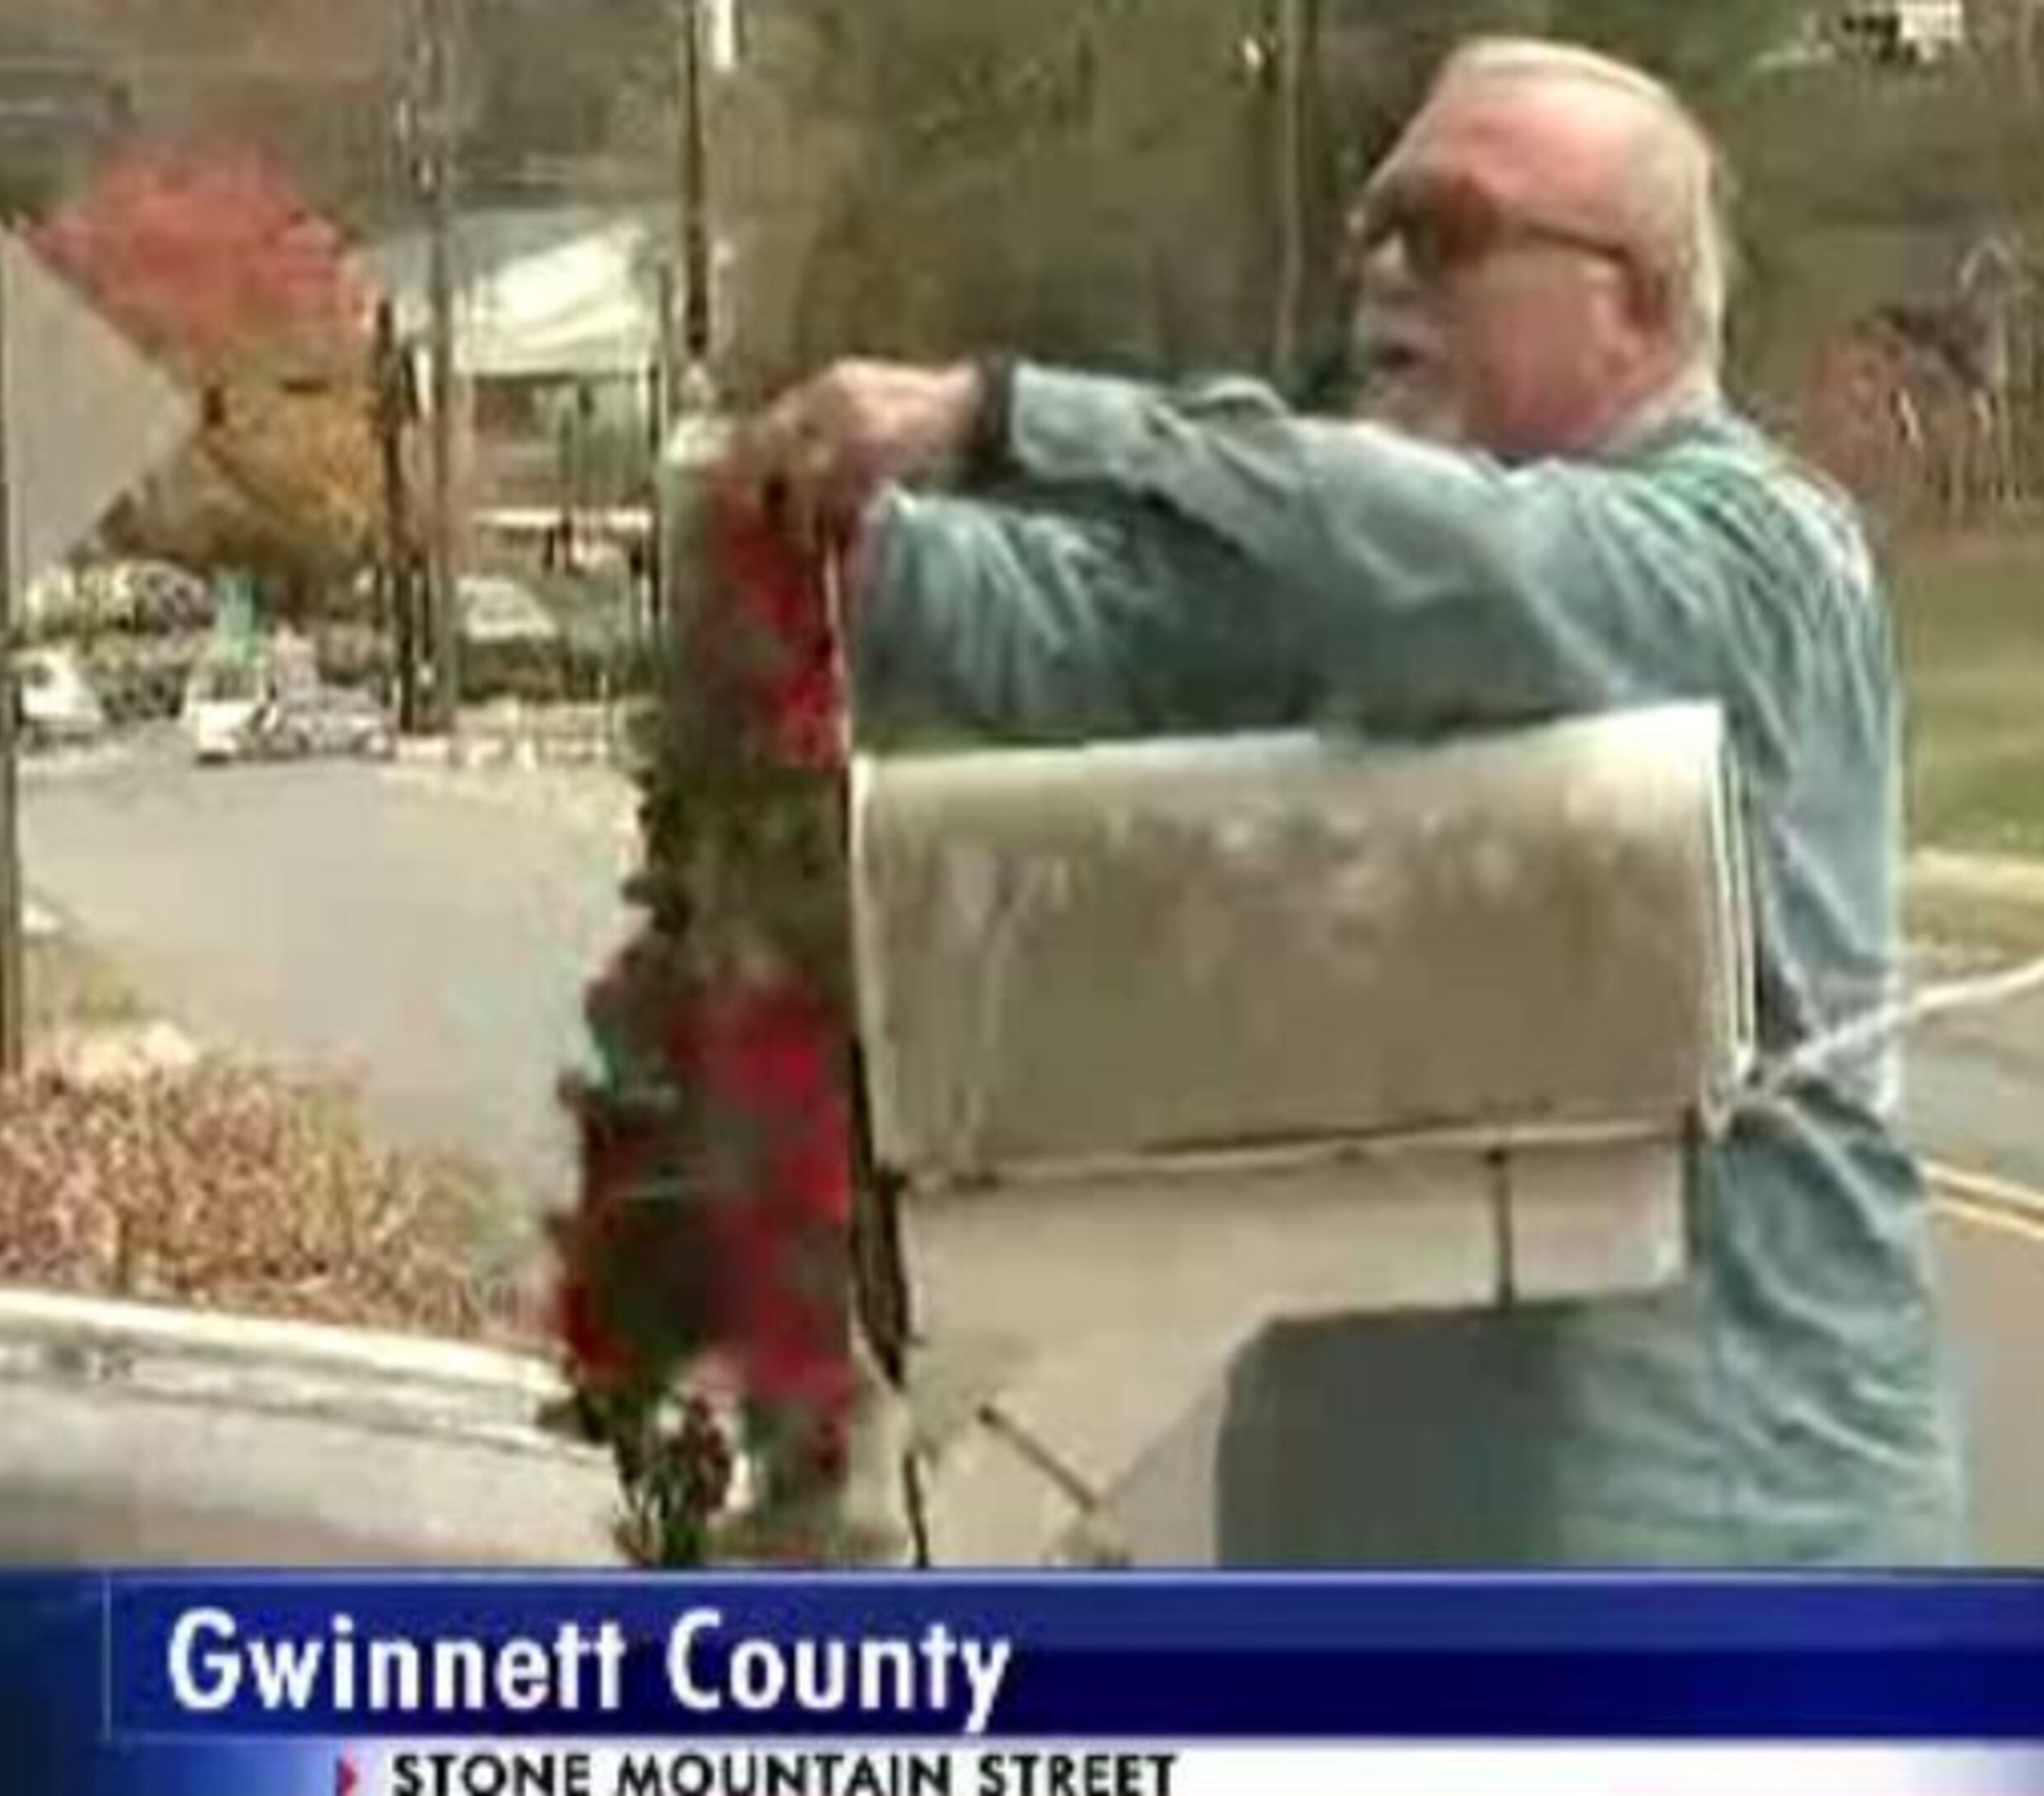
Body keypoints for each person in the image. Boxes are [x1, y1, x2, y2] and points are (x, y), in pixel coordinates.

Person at [733, 36, 1963, 1567]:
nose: (1381, 273)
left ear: (1634, 295)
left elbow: (1479, 570)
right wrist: (818, 533)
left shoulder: (1757, 553)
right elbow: (1096, 625)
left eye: (1444, 234)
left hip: (1733, 1563)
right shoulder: (1368, 586)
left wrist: (1012, 416)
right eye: (1368, 229)